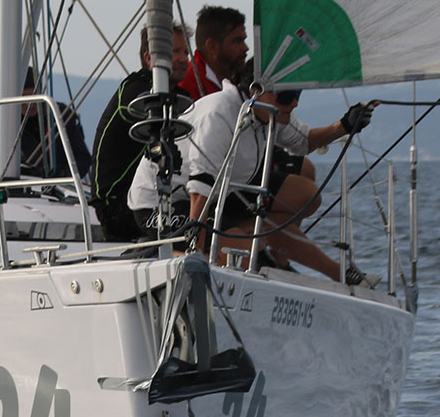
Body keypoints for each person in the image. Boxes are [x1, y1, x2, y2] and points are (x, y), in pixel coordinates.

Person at [130, 76, 377, 280]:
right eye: (286, 97)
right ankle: (155, 252)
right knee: (241, 254)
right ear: (256, 91)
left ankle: (336, 274)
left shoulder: (269, 111)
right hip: (162, 202)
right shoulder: (220, 114)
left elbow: (304, 141)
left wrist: (345, 125)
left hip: (219, 194)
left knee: (305, 195)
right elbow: (199, 190)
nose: (294, 103)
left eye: (297, 95)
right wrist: (195, 257)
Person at [90, 23, 191, 241]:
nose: (184, 59)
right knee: (200, 219)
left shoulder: (180, 97)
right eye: (175, 52)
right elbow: (160, 123)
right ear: (149, 58)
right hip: (117, 209)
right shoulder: (135, 93)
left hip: (153, 198)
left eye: (186, 52)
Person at [178, 5, 251, 100]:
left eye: (243, 40)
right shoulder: (188, 84)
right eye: (237, 41)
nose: (246, 48)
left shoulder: (240, 81)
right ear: (212, 47)